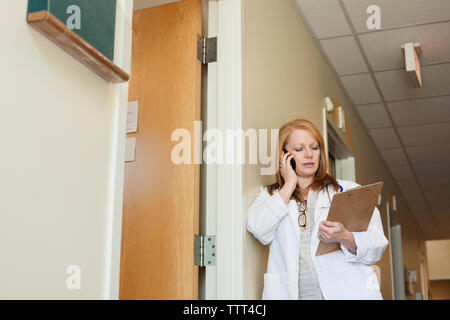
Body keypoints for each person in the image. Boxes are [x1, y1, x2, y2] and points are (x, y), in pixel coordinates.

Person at [246, 119, 388, 300]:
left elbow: (377, 244)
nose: (309, 154)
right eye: (299, 149)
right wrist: (289, 184)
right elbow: (258, 228)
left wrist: (344, 236)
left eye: (314, 147)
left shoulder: (348, 190)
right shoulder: (271, 196)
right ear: (284, 155)